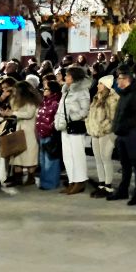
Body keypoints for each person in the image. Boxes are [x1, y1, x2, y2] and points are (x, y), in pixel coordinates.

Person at [107, 67, 136, 206]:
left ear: (126, 80)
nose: (117, 81)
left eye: (119, 78)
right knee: (125, 165)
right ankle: (123, 191)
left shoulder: (135, 94)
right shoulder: (124, 93)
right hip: (122, 134)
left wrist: (125, 126)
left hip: (132, 135)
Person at [54, 66, 91, 195]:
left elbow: (85, 110)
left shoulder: (82, 91)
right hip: (65, 127)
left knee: (77, 155)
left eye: (68, 75)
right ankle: (72, 180)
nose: (65, 77)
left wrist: (71, 118)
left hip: (75, 127)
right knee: (67, 156)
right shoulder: (66, 90)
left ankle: (80, 181)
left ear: (74, 77)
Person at [85, 75, 119, 196]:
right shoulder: (96, 97)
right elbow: (91, 114)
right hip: (95, 132)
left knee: (106, 158)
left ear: (106, 86)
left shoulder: (112, 99)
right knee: (98, 159)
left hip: (106, 133)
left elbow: (113, 118)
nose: (98, 85)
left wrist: (102, 128)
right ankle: (101, 183)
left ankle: (108, 185)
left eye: (100, 84)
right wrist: (90, 124)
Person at [4, 81, 41, 186]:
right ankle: (17, 178)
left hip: (29, 131)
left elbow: (29, 114)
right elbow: (14, 109)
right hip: (20, 130)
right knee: (17, 155)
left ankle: (31, 177)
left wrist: (14, 113)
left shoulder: (30, 101)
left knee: (29, 155)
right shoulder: (19, 100)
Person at [35, 80, 62, 190]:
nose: (44, 91)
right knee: (43, 160)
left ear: (52, 91)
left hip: (50, 135)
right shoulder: (44, 102)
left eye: (46, 89)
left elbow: (56, 119)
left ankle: (51, 183)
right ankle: (44, 181)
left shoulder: (55, 103)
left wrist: (50, 129)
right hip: (42, 134)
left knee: (51, 160)